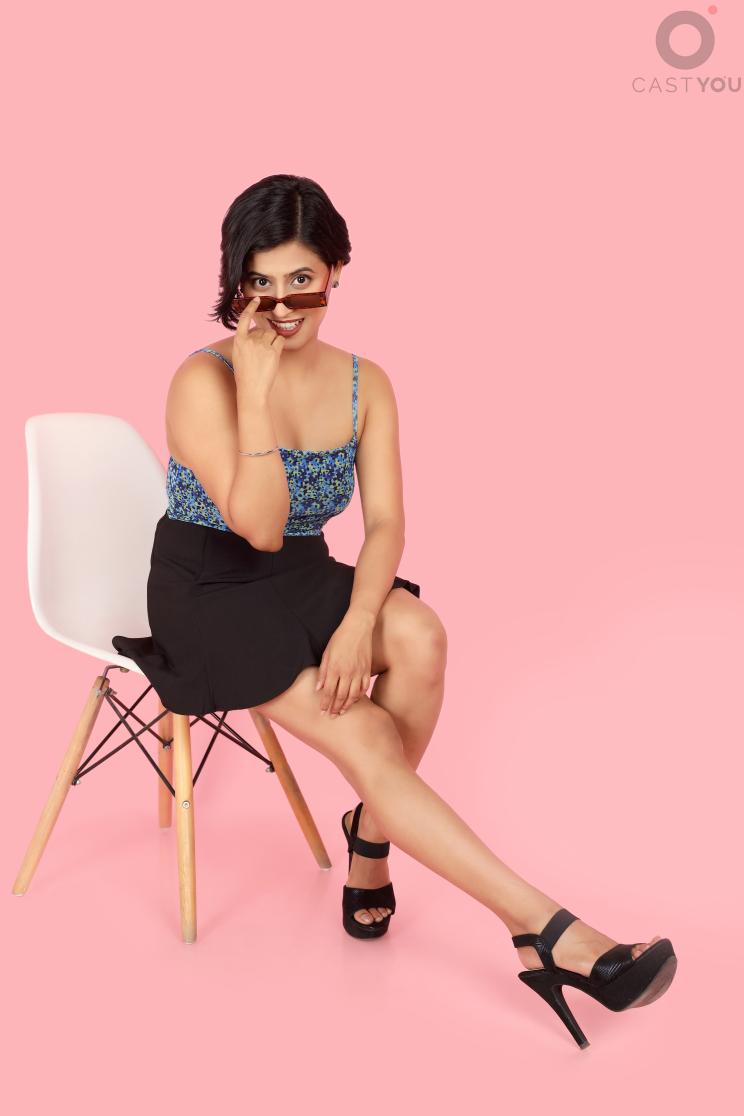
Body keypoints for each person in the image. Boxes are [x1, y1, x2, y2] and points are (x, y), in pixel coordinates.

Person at [112, 174, 677, 1047]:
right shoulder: (203, 378)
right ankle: (546, 929)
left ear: (336, 272)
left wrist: (353, 625)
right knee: (370, 736)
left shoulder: (364, 382)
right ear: (235, 283)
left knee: (418, 635)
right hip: (209, 587)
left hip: (303, 575)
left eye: (303, 281)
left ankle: (371, 831)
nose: (282, 306)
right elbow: (259, 526)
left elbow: (385, 525)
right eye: (260, 284)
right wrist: (255, 392)